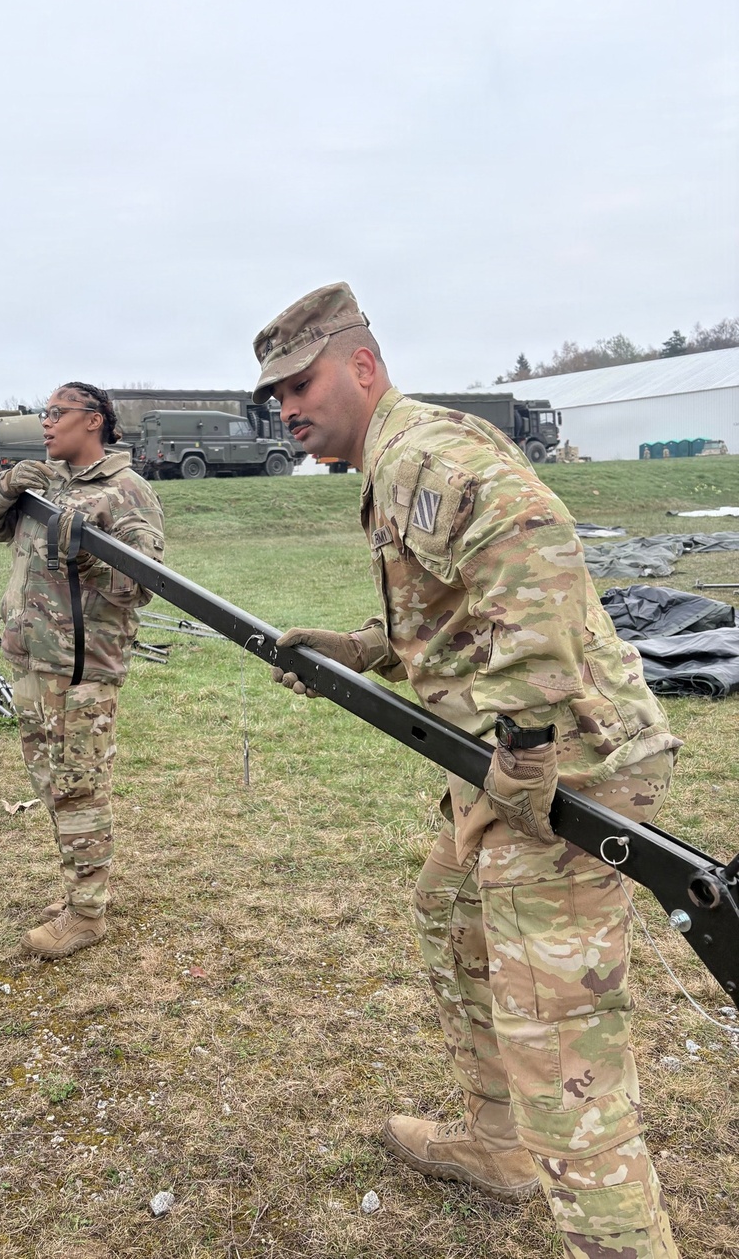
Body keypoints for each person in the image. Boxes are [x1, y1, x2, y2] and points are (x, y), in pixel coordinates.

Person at [252, 282, 681, 1259]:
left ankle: (581, 1188)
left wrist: (525, 746)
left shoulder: (422, 452)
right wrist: (366, 648)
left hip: (564, 776)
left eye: (301, 382)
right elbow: (466, 605)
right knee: (449, 908)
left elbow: (535, 556)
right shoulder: (393, 463)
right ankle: (495, 1142)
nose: (286, 407)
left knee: (567, 1073)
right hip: (508, 770)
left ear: (363, 366)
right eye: (275, 394)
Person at [0, 383, 164, 960]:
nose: (46, 423)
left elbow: (143, 584)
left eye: (57, 413)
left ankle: (86, 916)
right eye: (43, 414)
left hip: (81, 669)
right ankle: (82, 888)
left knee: (79, 788)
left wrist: (89, 556)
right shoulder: (44, 483)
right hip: (31, 658)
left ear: (94, 421)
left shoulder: (126, 491)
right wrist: (3, 486)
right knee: (52, 786)